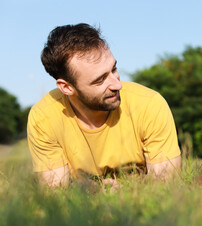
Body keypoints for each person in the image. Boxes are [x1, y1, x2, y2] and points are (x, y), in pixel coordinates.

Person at [27, 23, 181, 187]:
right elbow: (55, 192)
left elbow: (167, 186)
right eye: (100, 80)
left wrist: (125, 192)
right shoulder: (44, 118)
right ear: (67, 87)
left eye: (114, 69)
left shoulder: (149, 104)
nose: (117, 85)